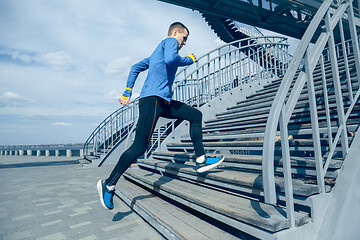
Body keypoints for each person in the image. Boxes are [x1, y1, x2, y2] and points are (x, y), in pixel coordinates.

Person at [97, 22, 224, 210]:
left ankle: (201, 160)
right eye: (184, 38)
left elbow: (134, 67)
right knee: (139, 146)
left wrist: (127, 92)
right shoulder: (170, 41)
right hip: (152, 101)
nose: (184, 43)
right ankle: (108, 184)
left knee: (195, 115)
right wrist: (189, 60)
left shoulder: (157, 54)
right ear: (175, 33)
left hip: (162, 102)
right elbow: (173, 59)